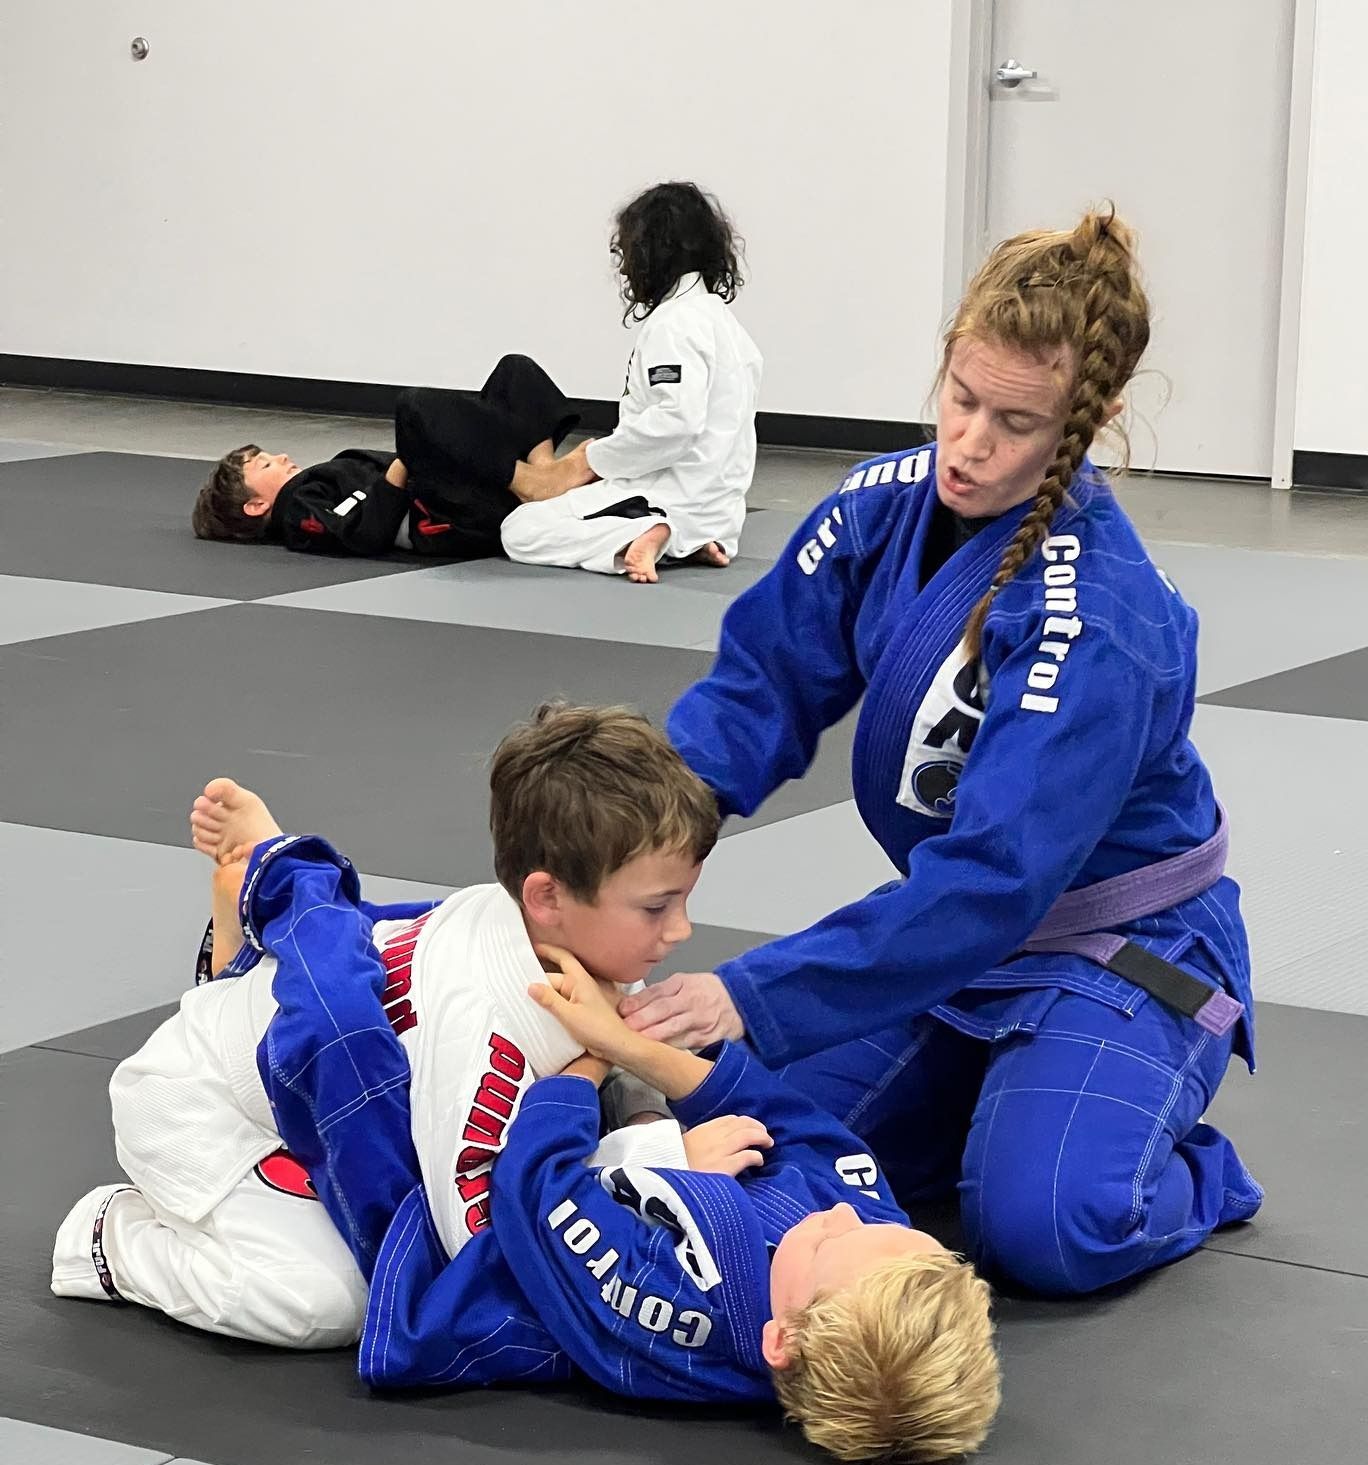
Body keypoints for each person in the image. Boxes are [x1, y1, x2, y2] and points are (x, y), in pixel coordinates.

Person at [619, 208, 1264, 1299]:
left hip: (1121, 948)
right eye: (962, 401)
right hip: (958, 944)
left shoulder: (1096, 619)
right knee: (747, 1138)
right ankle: (1001, 1103)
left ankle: (1186, 1166)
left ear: (1087, 421)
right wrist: (634, 855)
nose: (969, 444)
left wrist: (752, 991)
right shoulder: (880, 510)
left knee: (1046, 1230)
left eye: (1016, 423)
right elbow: (762, 685)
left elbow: (993, 877)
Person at [50, 704, 719, 1346]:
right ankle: (112, 1240)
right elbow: (482, 1236)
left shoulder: (569, 935)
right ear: (548, 897)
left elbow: (618, 1058)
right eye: (659, 907)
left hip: (295, 1058)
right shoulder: (483, 1041)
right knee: (330, 1302)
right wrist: (651, 1164)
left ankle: (240, 957)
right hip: (200, 1108)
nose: (681, 930)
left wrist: (641, 1115)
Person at [500, 182, 762, 583]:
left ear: (653, 251)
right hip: (718, 512)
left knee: (520, 529)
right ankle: (683, 541)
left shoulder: (674, 324)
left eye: (628, 254)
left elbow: (676, 423)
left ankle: (642, 533)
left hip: (667, 497)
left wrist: (591, 461)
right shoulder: (727, 327)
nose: (624, 269)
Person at [190, 355, 578, 558]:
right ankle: (531, 482)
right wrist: (413, 452)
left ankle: (540, 475)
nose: (282, 456)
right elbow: (367, 533)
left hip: (458, 490)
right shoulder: (299, 509)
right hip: (449, 517)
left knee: (514, 371)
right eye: (266, 464)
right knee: (415, 408)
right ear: (257, 505)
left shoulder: (323, 479)